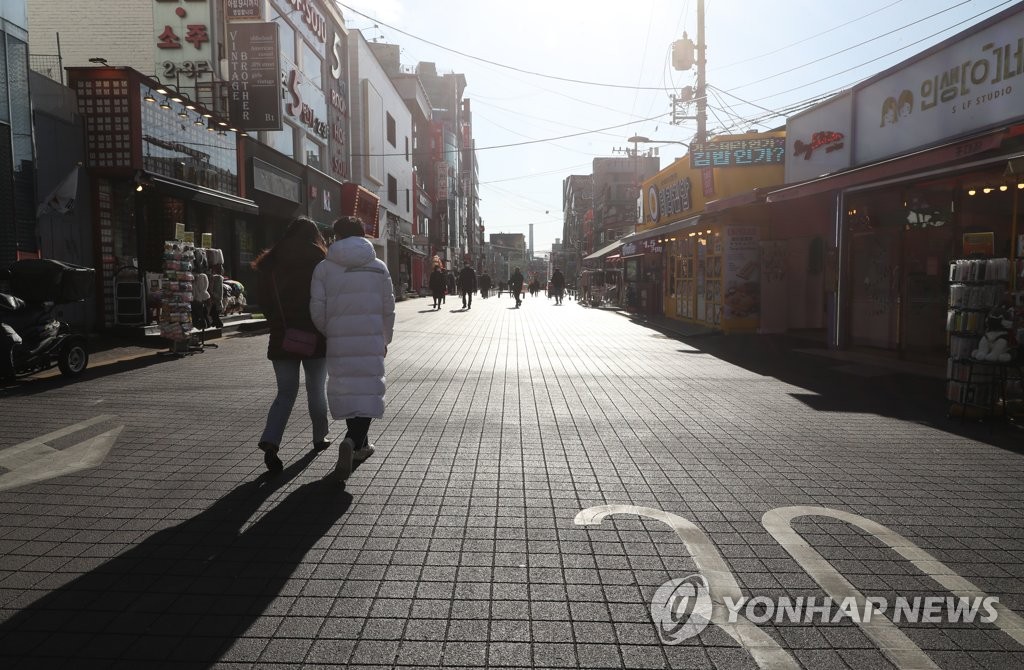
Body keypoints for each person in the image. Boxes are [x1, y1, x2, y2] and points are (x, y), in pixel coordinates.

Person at [311, 216, 396, 486]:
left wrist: (331, 332)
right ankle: (354, 441)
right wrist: (385, 338)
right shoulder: (379, 267)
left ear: (336, 235)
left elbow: (317, 309)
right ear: (362, 234)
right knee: (368, 390)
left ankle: (358, 443)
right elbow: (388, 309)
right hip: (371, 340)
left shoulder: (324, 268)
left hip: (338, 340)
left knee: (348, 390)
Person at [252, 216, 330, 475]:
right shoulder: (322, 261)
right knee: (316, 389)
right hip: (316, 337)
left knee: (285, 393)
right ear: (314, 236)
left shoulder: (271, 262)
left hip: (282, 336)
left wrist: (277, 321)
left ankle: (271, 440)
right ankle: (320, 438)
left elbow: (264, 302)